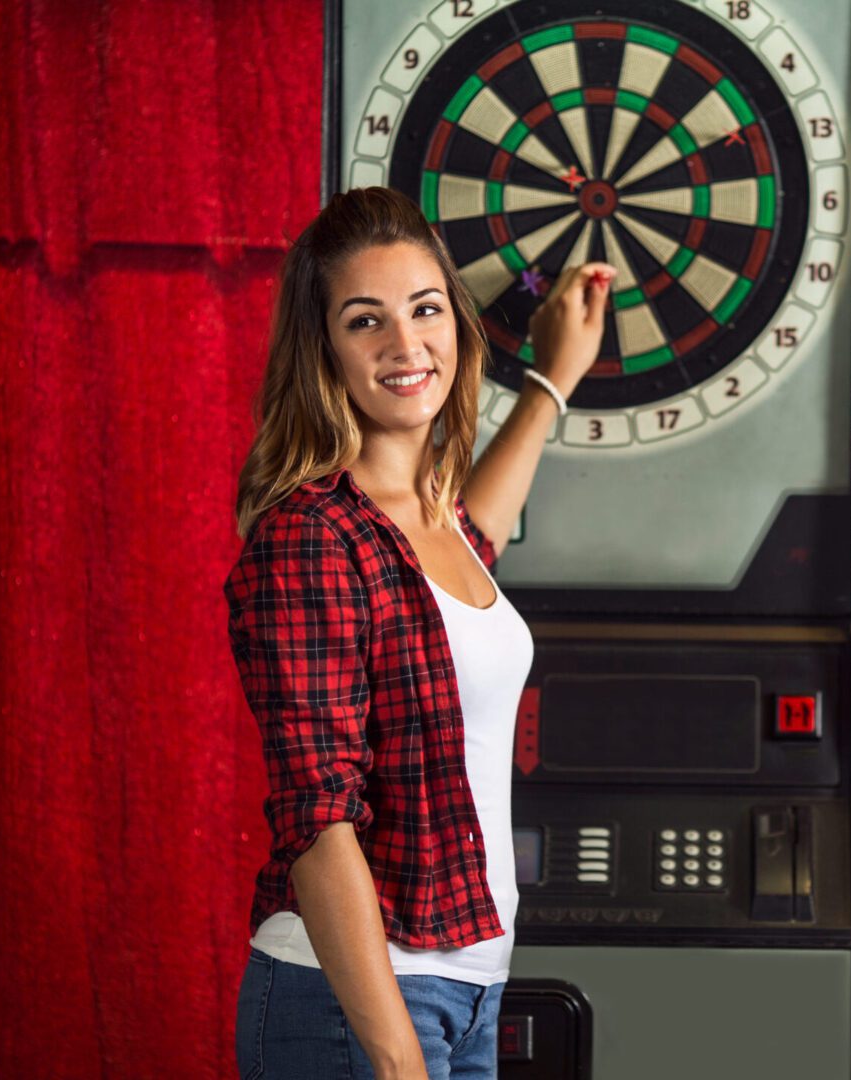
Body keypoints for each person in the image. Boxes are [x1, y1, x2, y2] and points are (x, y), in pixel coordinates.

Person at [224, 185, 614, 1080]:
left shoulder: (434, 521)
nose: (406, 345)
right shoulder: (310, 537)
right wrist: (396, 1057)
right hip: (355, 1005)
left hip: (466, 993)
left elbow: (484, 526)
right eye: (366, 321)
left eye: (425, 309)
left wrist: (556, 377)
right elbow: (319, 822)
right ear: (323, 348)